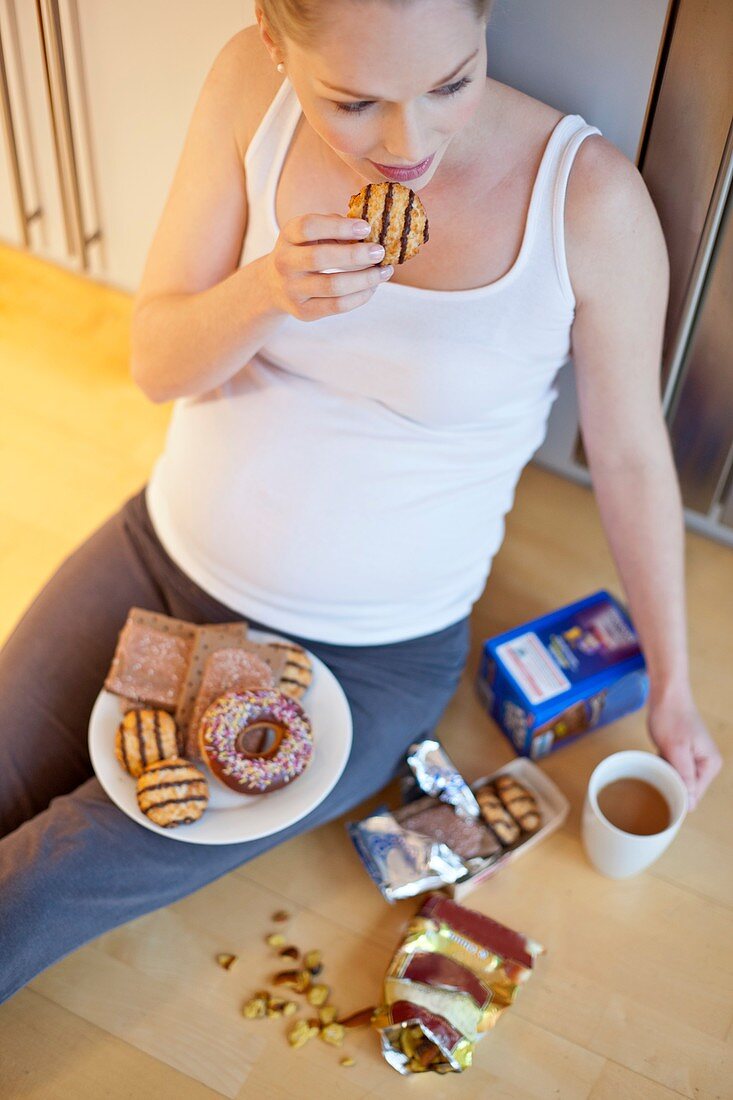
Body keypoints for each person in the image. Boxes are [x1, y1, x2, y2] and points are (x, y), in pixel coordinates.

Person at [0, 0, 721, 1005]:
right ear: (272, 39)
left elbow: (634, 455)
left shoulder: (587, 203)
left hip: (363, 657)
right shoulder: (245, 91)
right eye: (352, 100)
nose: (407, 143)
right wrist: (266, 289)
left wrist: (675, 682)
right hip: (159, 555)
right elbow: (157, 364)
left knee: (45, 879)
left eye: (449, 83)